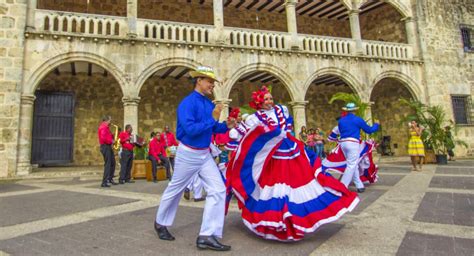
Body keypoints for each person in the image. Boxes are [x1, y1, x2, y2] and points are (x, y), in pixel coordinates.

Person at [226, 86, 359, 241]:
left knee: (300, 181)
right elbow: (241, 133)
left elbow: (287, 128)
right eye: (266, 99)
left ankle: (296, 217)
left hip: (291, 151)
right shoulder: (254, 118)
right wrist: (234, 129)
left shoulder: (281, 110)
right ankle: (277, 220)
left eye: (271, 98)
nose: (270, 101)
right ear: (259, 102)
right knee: (275, 186)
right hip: (273, 157)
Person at [154, 66, 236, 251]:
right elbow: (190, 130)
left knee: (218, 189)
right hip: (188, 153)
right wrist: (213, 118)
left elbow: (212, 129)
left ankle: (207, 235)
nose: (212, 85)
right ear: (198, 80)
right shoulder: (187, 103)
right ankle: (160, 223)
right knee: (176, 188)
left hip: (204, 154)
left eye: (213, 82)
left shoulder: (208, 104)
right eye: (209, 81)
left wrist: (226, 125)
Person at [338, 103, 379, 192]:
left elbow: (340, 131)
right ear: (355, 110)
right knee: (351, 165)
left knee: (353, 164)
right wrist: (376, 125)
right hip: (352, 143)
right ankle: (342, 186)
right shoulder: (357, 119)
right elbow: (369, 130)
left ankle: (359, 185)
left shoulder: (341, 120)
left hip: (343, 143)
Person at [97, 115, 118, 187]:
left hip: (108, 146)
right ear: (107, 120)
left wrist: (112, 136)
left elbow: (106, 136)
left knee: (113, 163)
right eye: (110, 120)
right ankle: (104, 182)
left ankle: (110, 179)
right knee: (108, 164)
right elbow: (103, 138)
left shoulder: (106, 128)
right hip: (105, 147)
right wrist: (112, 141)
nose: (110, 121)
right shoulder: (103, 127)